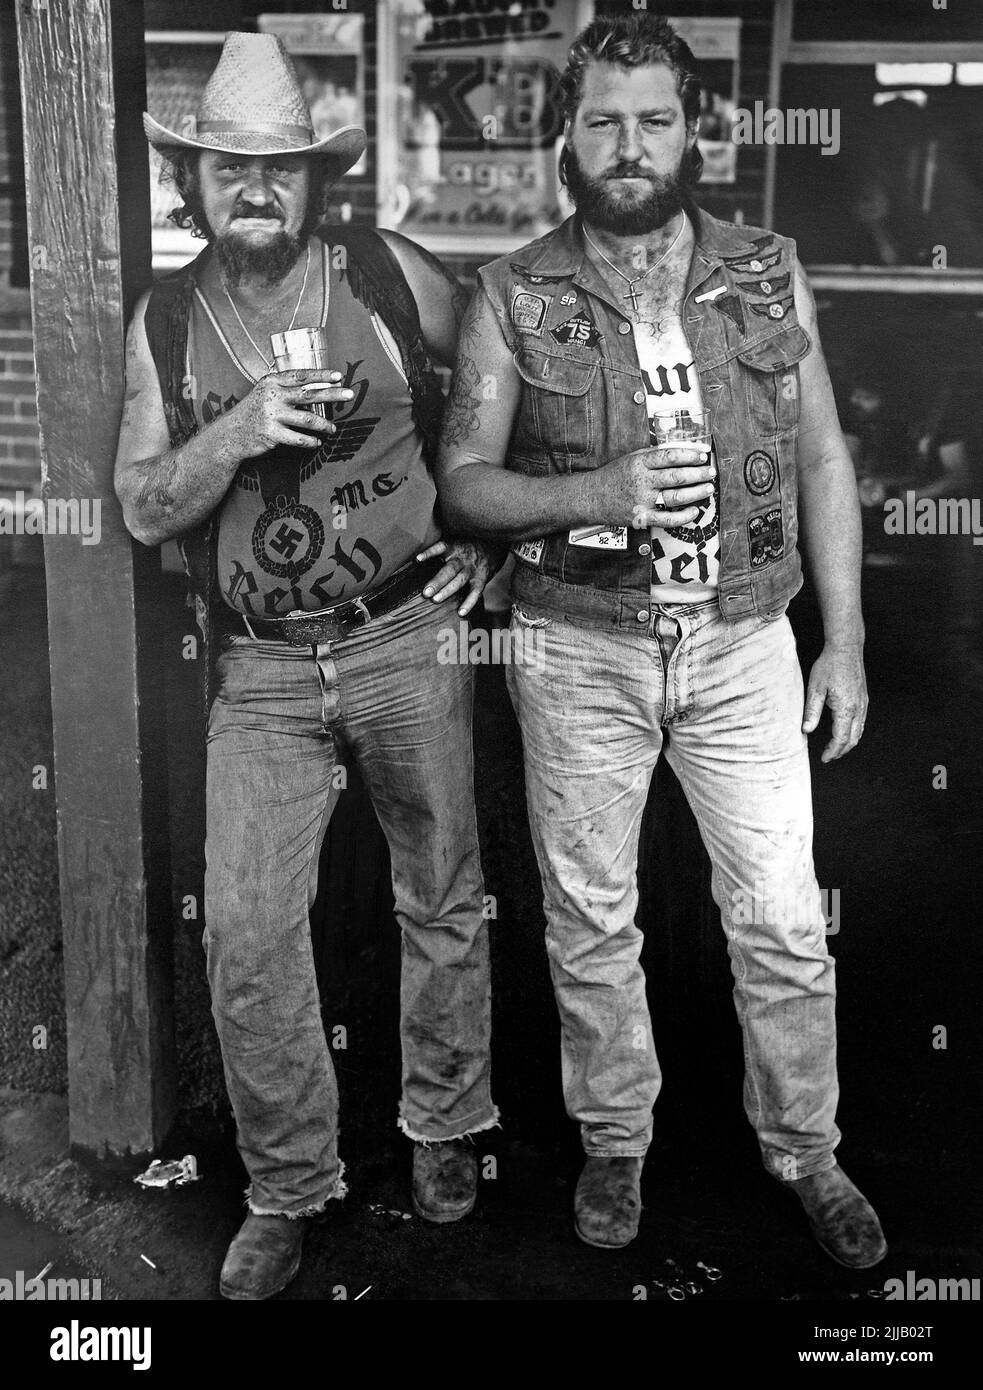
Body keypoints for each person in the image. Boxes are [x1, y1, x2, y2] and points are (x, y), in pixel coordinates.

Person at [436, 12, 887, 1268]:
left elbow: (821, 458)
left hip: (744, 640)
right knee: (590, 917)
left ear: (694, 131)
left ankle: (805, 1150)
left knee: (783, 918)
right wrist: (595, 493)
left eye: (650, 119)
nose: (625, 146)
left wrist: (837, 642)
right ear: (563, 143)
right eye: (599, 122)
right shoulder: (513, 291)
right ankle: (615, 1141)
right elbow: (461, 484)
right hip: (578, 646)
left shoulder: (763, 270)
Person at [115, 32, 499, 1300]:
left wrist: (496, 543)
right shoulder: (168, 320)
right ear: (195, 184)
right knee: (245, 929)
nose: (255, 186)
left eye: (278, 165)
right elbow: (139, 504)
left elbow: (517, 376)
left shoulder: (389, 275)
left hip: (405, 634)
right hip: (264, 674)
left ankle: (446, 1132)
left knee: (440, 895)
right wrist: (232, 431)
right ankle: (289, 1184)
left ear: (313, 179)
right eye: (229, 167)